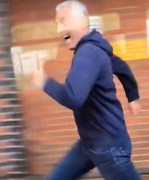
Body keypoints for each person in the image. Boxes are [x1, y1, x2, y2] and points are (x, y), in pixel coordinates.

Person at [32, 1, 141, 179]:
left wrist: (45, 82)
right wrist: (132, 96)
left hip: (108, 147)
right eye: (58, 24)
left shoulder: (88, 52)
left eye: (64, 21)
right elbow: (122, 67)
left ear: (83, 20)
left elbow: (73, 97)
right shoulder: (96, 49)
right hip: (89, 143)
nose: (60, 29)